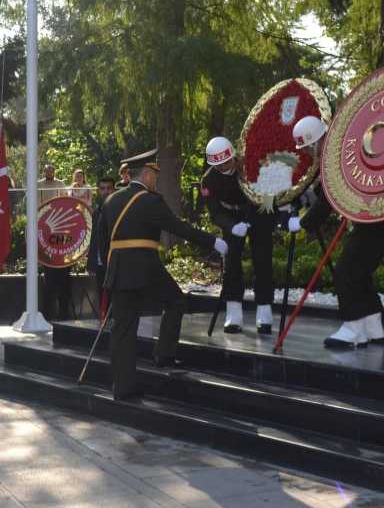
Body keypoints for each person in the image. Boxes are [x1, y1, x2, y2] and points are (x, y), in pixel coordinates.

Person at [98, 148, 227, 400]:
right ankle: (164, 354)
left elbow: (102, 243)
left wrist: (111, 268)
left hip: (118, 269)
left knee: (123, 328)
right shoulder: (150, 200)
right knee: (175, 300)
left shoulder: (110, 200)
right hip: (145, 267)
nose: (155, 180)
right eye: (154, 175)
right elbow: (179, 227)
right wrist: (213, 242)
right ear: (146, 175)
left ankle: (122, 387)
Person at [295, 116, 384, 350]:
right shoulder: (342, 150)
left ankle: (352, 328)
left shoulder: (336, 157)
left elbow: (328, 199)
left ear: (316, 142)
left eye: (309, 148)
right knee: (360, 273)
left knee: (344, 273)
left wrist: (304, 223)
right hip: (378, 218)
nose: (309, 154)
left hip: (375, 218)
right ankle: (373, 327)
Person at [202, 136, 294, 335]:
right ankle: (233, 313)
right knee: (231, 263)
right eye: (218, 165)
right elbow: (215, 212)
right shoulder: (209, 180)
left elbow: (266, 192)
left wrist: (255, 218)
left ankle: (265, 311)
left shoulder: (251, 165)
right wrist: (232, 226)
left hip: (258, 212)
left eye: (227, 162)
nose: (224, 167)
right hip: (231, 217)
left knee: (262, 259)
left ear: (234, 156)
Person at [38, 163, 71, 320]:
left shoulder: (61, 184)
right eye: (47, 169)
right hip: (44, 229)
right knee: (48, 283)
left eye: (51, 169)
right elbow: (37, 206)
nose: (49, 171)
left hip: (61, 230)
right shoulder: (38, 185)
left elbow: (66, 201)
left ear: (54, 171)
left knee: (64, 282)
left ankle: (64, 313)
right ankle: (46, 314)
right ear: (44, 171)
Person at [86, 176, 117, 300]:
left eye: (109, 188)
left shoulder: (120, 209)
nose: (106, 191)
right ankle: (104, 319)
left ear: (114, 189)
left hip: (116, 260)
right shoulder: (97, 211)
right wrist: (91, 262)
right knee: (102, 294)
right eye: (103, 188)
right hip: (99, 262)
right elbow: (94, 237)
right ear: (98, 190)